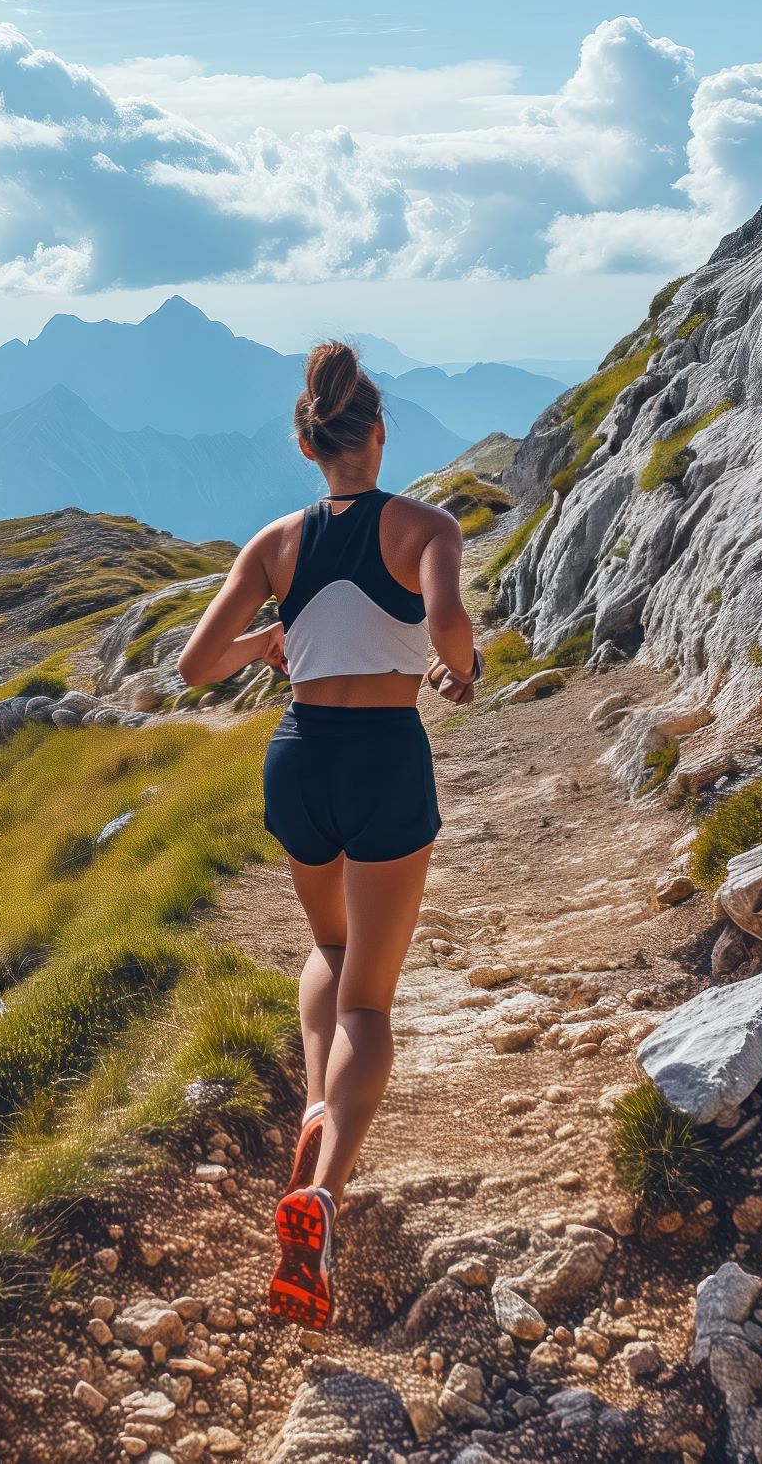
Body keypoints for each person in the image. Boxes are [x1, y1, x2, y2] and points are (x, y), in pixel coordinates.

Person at [175, 339, 480, 1329]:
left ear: (308, 447)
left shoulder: (272, 542)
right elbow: (445, 619)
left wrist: (268, 641)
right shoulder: (427, 525)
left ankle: (318, 1110)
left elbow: (193, 665)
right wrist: (458, 669)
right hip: (386, 753)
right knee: (370, 1005)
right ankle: (324, 1185)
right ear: (377, 435)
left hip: (297, 752)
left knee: (330, 945)